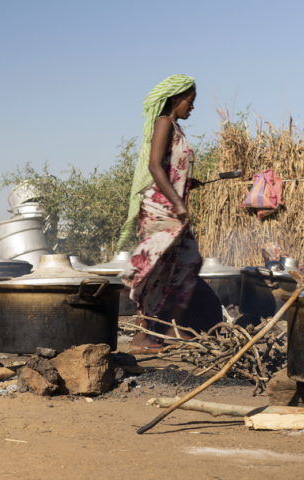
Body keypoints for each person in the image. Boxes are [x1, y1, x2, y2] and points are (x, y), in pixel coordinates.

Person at [118, 74, 203, 348]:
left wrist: (189, 182)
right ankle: (142, 331)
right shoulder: (163, 123)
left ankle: (170, 326)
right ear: (176, 99)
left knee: (187, 262)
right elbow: (155, 166)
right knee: (154, 265)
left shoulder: (177, 128)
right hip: (160, 206)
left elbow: (170, 166)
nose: (191, 107)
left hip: (174, 205)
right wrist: (177, 203)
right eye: (189, 101)